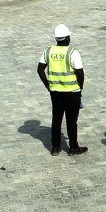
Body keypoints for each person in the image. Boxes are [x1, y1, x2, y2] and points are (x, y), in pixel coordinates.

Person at [37, 24, 87, 156]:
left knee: (56, 119)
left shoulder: (48, 51)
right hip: (72, 92)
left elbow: (40, 69)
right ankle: (73, 147)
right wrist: (80, 89)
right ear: (68, 38)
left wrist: (48, 86)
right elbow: (80, 73)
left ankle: (55, 148)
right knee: (71, 121)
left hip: (55, 92)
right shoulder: (73, 53)